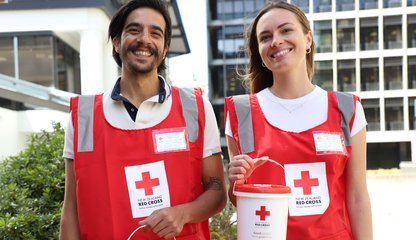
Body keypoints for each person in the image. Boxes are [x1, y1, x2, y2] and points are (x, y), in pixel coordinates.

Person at [59, 0, 226, 239]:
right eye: (134, 30)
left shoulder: (195, 107)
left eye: (155, 33)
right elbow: (71, 211)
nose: (145, 39)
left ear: (165, 48)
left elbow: (217, 191)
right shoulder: (84, 116)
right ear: (117, 42)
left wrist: (183, 214)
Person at [225, 1, 372, 239]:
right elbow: (240, 200)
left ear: (308, 40)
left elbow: (357, 198)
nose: (276, 41)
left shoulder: (347, 108)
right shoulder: (242, 112)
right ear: (260, 53)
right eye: (265, 37)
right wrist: (235, 183)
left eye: (285, 30)